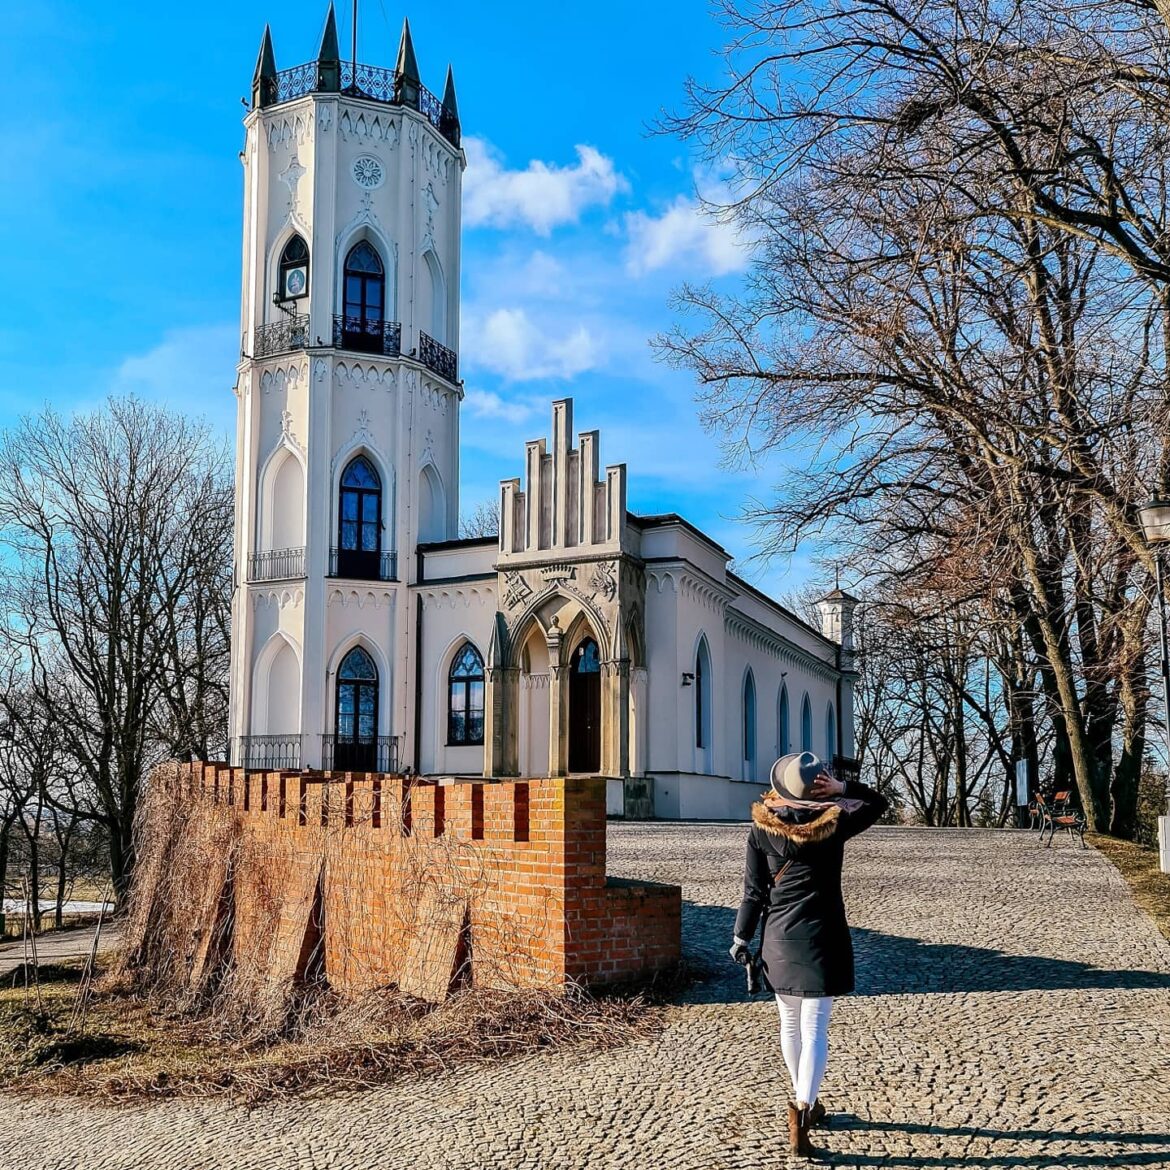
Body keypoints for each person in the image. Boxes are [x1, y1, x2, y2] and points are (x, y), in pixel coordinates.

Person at [729, 751, 889, 1157]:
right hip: (823, 936)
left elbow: (752, 892)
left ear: (780, 787)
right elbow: (879, 804)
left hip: (779, 938)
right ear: (818, 790)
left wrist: (741, 937)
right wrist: (844, 789)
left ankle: (804, 1102)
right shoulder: (834, 825)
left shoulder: (760, 830)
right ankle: (803, 1108)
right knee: (815, 1028)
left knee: (789, 1024)